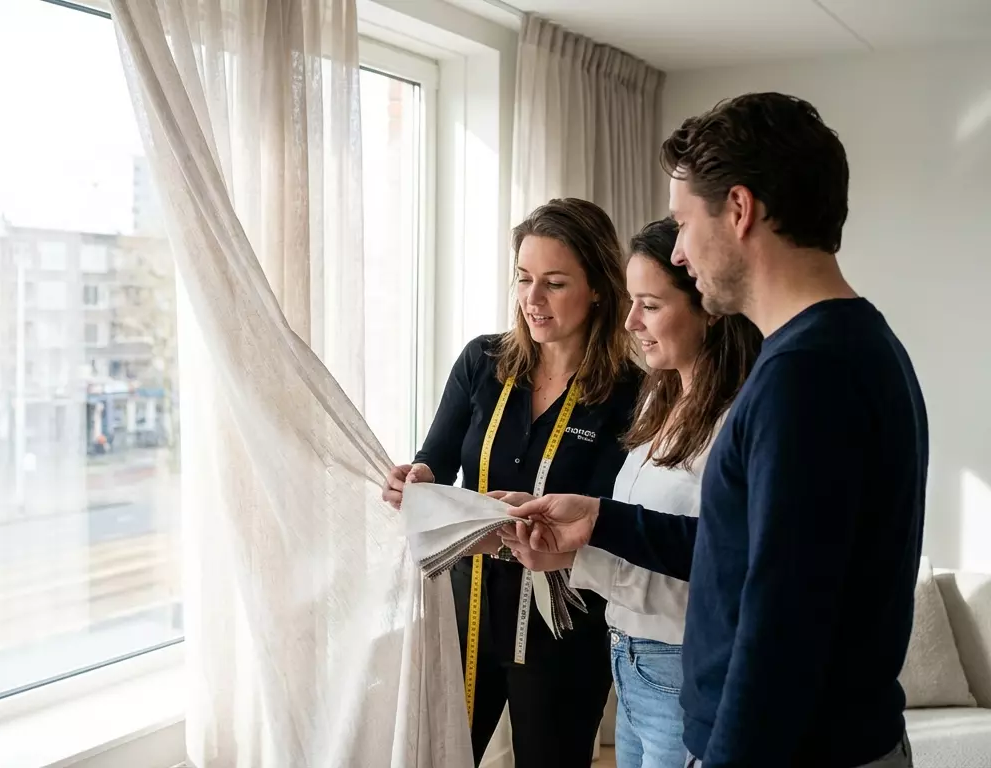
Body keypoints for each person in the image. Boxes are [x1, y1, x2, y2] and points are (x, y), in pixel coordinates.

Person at [506, 93, 927, 767]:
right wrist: (601, 519)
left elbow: (781, 621)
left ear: (738, 210)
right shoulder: (852, 345)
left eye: (681, 222)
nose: (678, 248)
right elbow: (748, 550)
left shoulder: (806, 376)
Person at [382, 198, 641, 767]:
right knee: (443, 756)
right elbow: (436, 461)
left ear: (598, 287)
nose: (532, 299)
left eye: (554, 283)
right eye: (523, 279)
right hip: (467, 609)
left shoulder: (631, 392)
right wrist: (417, 477)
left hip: (565, 624)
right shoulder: (482, 361)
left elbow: (615, 514)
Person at [496, 218, 761, 768]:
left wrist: (593, 523)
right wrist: (566, 555)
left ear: (708, 307)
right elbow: (644, 545)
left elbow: (723, 558)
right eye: (632, 301)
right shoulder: (657, 401)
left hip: (682, 664)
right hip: (628, 660)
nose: (631, 320)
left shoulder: (738, 422)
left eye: (651, 305)